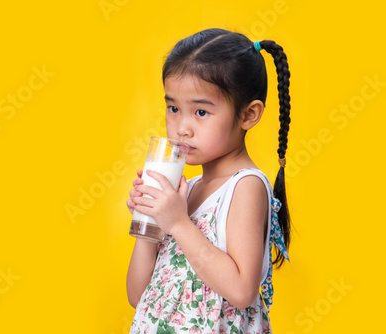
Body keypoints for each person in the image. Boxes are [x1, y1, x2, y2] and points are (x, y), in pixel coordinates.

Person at [125, 28, 292, 333]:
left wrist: (177, 223)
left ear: (248, 115)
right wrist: (149, 225)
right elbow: (139, 297)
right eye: (174, 108)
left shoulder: (245, 186)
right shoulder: (187, 192)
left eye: (201, 111)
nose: (182, 128)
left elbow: (242, 291)